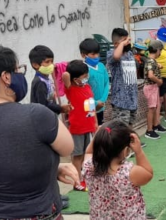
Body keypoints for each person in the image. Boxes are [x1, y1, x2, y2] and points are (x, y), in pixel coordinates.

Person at [0, 44, 79, 219]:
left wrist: (49, 169)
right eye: (18, 69)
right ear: (6, 77)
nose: (20, 74)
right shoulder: (36, 115)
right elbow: (67, 148)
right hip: (34, 213)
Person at [83, 121, 153, 220]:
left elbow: (89, 152)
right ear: (125, 150)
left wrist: (98, 136)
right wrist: (139, 151)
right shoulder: (129, 172)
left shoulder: (89, 166)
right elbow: (148, 173)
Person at [62, 60, 99, 192]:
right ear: (76, 79)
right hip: (77, 128)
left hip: (89, 126)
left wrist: (95, 123)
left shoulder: (87, 88)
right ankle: (77, 181)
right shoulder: (70, 89)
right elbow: (65, 75)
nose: (86, 78)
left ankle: (83, 177)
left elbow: (92, 106)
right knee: (77, 155)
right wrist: (66, 68)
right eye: (84, 76)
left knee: (85, 154)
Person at [107, 28, 139, 126]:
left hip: (132, 98)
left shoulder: (129, 54)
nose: (127, 42)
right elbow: (116, 56)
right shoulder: (111, 53)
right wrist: (121, 44)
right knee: (120, 129)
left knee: (130, 126)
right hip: (120, 100)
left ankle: (130, 141)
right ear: (116, 43)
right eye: (124, 40)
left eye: (128, 40)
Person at [80, 39, 110, 126]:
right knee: (91, 126)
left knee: (99, 125)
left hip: (101, 105)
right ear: (83, 55)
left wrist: (102, 100)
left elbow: (106, 83)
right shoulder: (83, 69)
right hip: (89, 105)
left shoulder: (101, 66)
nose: (96, 56)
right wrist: (95, 103)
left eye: (97, 53)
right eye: (93, 54)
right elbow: (83, 91)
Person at [30, 45, 65, 115]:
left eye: (52, 61)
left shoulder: (46, 79)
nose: (51, 64)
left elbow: (50, 100)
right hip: (44, 120)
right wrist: (60, 108)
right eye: (47, 62)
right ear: (35, 65)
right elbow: (44, 105)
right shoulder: (40, 82)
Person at [144, 41, 166, 139]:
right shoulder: (150, 61)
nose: (160, 53)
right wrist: (159, 81)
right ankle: (149, 130)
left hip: (153, 87)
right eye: (161, 50)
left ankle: (155, 125)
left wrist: (158, 66)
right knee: (151, 109)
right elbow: (150, 75)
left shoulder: (152, 61)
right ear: (157, 50)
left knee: (155, 107)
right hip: (150, 87)